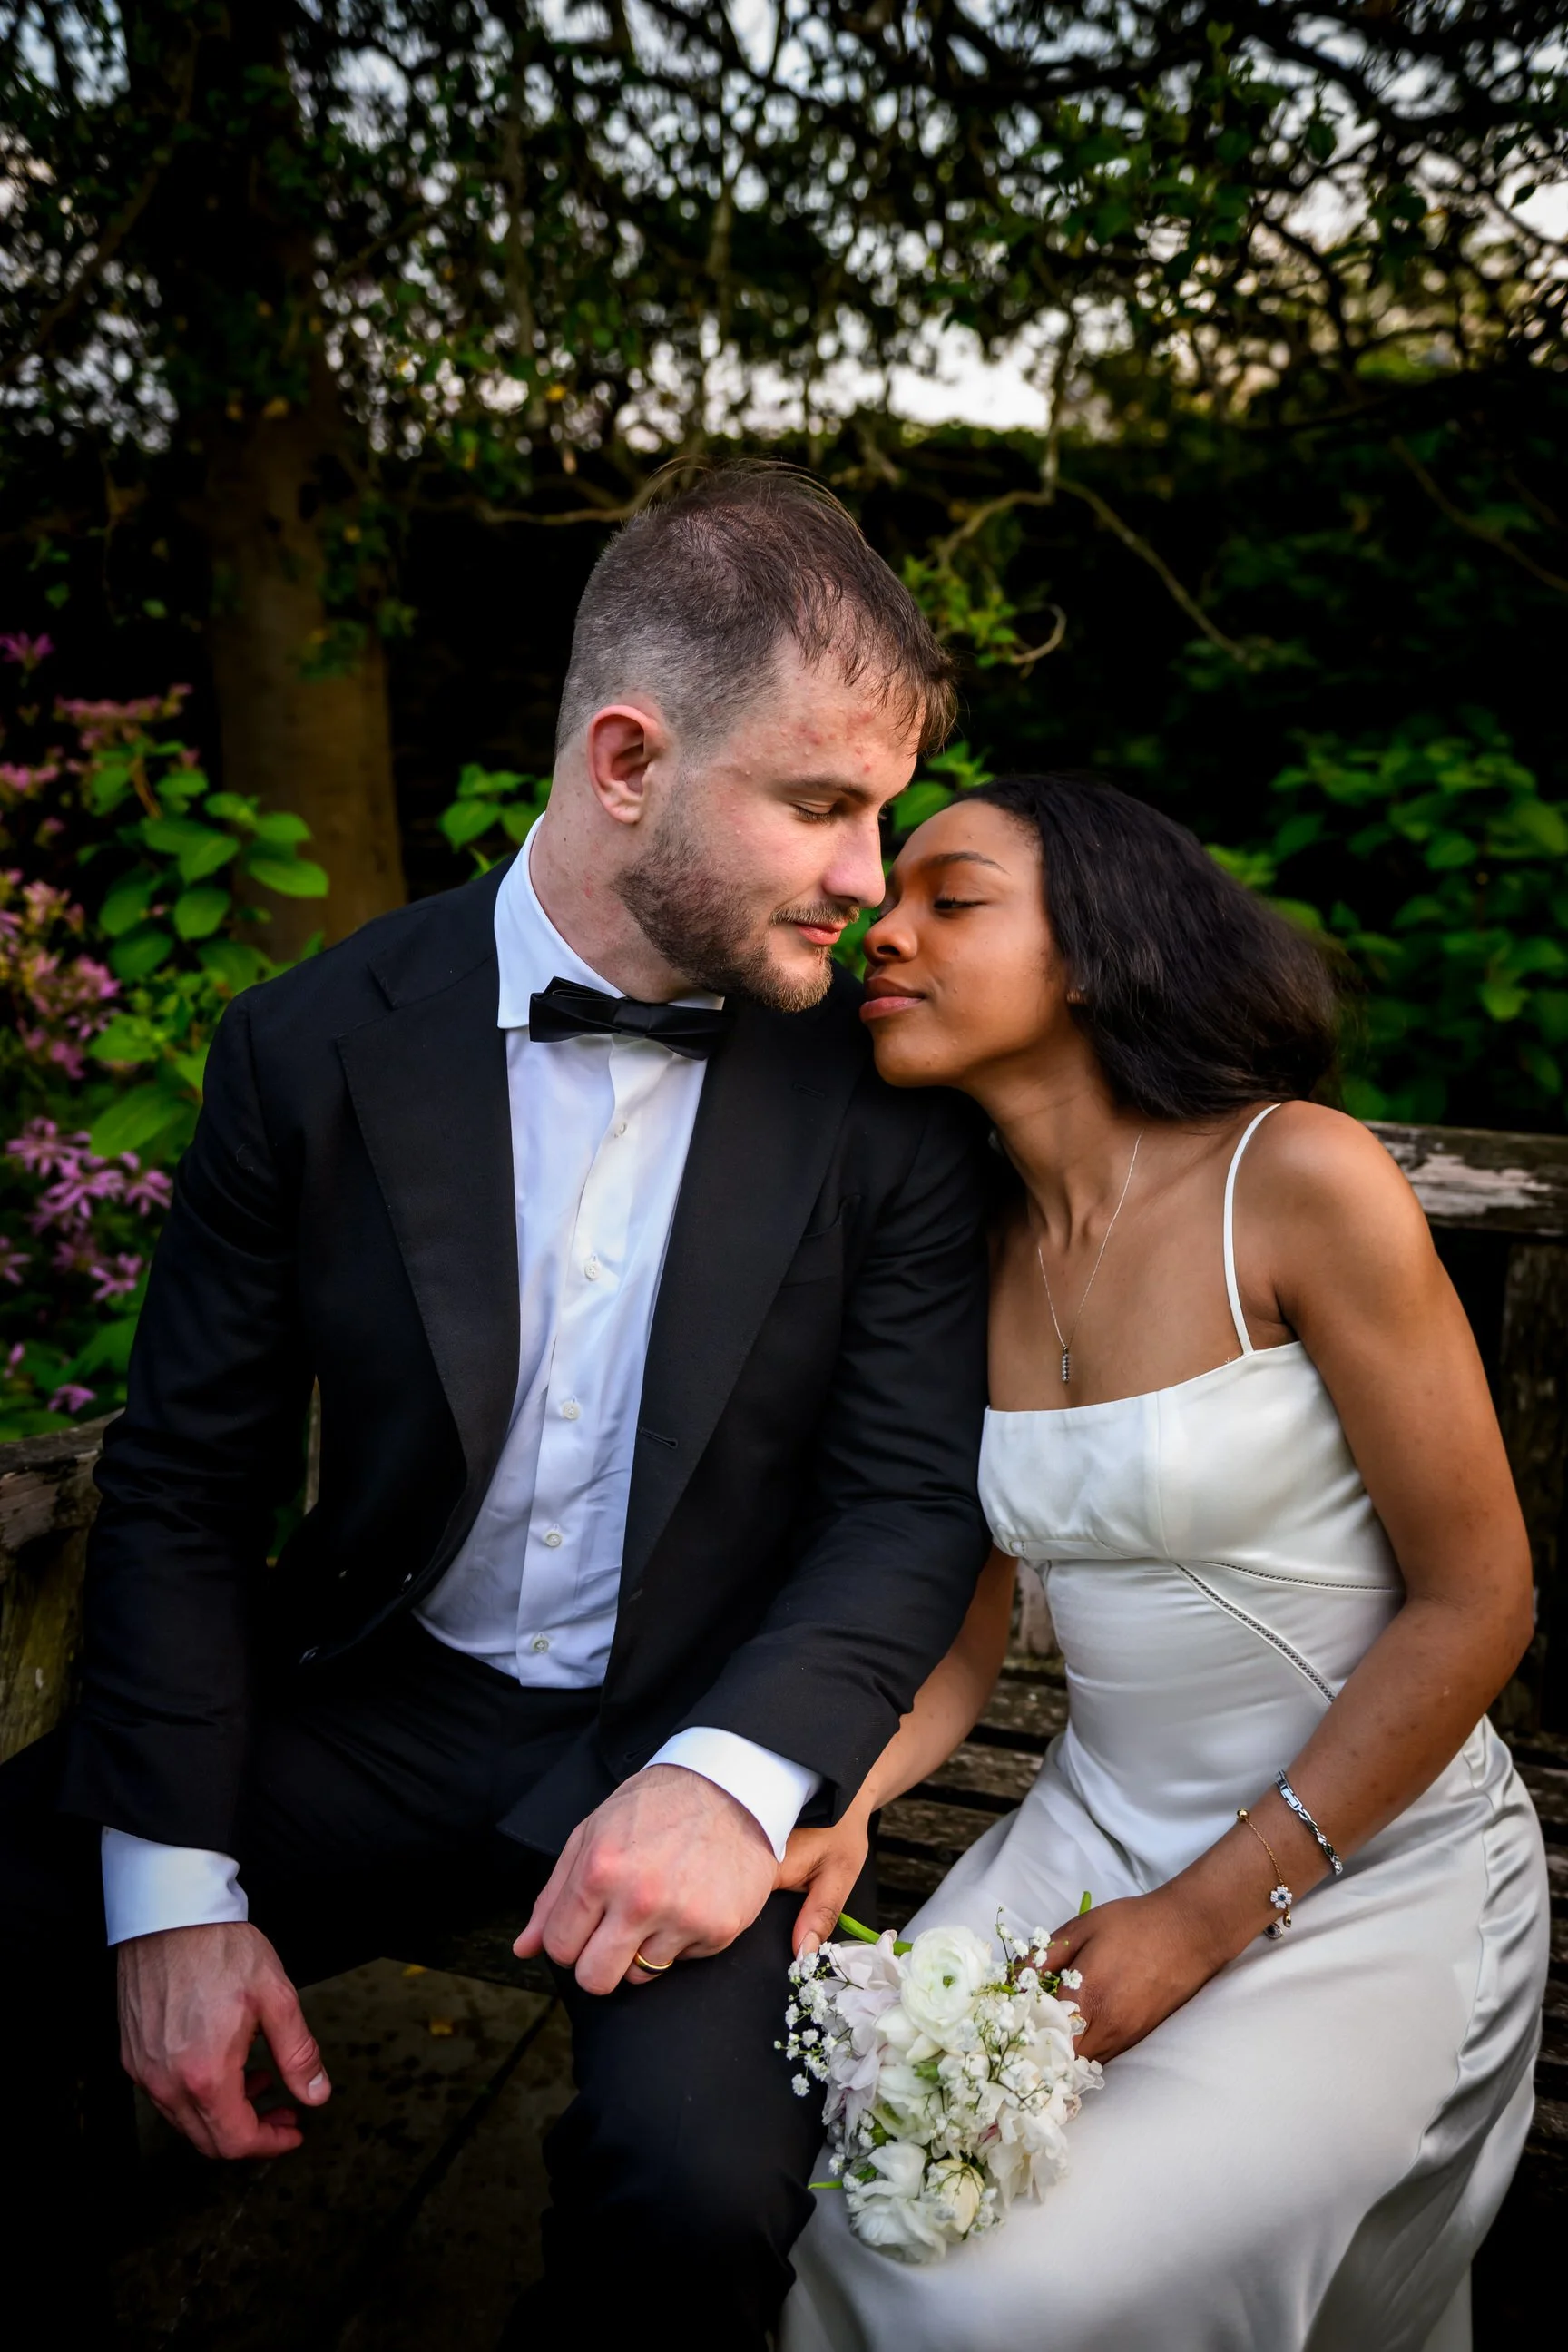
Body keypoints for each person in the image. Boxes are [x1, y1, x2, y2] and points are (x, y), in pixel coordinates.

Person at [0, 466, 995, 2346]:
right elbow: (190, 1491)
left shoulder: (891, 1100)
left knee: (696, 2196)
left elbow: (904, 1509)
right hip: (375, 1703)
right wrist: (172, 1892)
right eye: (821, 804)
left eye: (885, 810)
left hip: (697, 1728)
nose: (872, 880)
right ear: (627, 761)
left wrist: (730, 1776)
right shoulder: (306, 1051)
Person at [779, 774, 1548, 2352]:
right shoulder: (975, 1245)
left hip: (1373, 1860)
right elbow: (965, 1630)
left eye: (953, 897)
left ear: (1093, 950)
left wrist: (1203, 1918)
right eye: (887, 897)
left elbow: (1485, 1603)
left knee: (1010, 2302)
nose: (884, 926)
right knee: (849, 2200)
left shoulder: (1298, 1179)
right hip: (1092, 1836)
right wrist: (841, 1803)